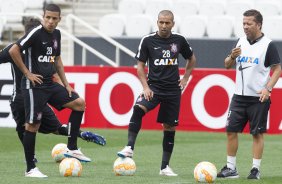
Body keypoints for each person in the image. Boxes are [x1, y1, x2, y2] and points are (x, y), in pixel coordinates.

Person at [8, 4, 91, 178]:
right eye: (48, 17)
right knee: (32, 125)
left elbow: (57, 60)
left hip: (49, 84)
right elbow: (14, 49)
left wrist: (66, 84)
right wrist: (27, 73)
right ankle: (31, 169)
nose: (51, 21)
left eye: (54, 18)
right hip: (34, 86)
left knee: (79, 103)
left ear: (59, 19)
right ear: (43, 16)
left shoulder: (57, 34)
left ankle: (72, 148)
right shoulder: (36, 32)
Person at [2, 18, 106, 152]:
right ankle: (80, 134)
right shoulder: (43, 48)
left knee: (24, 128)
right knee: (57, 128)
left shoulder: (13, 48)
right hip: (39, 96)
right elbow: (54, 75)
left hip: (20, 99)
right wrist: (65, 87)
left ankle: (31, 160)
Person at [117, 10, 196, 176]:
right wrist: (146, 87)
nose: (164, 26)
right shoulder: (148, 40)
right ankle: (129, 147)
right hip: (153, 88)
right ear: (157, 22)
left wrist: (185, 78)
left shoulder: (179, 40)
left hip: (173, 90)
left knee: (169, 126)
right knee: (138, 108)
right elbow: (140, 66)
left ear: (173, 24)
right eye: (161, 22)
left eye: (167, 23)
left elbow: (192, 58)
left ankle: (164, 167)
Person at [217, 9, 281, 180]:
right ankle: (231, 168)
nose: (245, 26)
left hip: (257, 98)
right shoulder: (240, 42)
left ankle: (255, 169)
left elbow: (277, 69)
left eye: (249, 23)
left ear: (258, 24)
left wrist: (268, 88)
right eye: (243, 23)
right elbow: (227, 65)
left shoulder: (268, 45)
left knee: (257, 133)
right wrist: (231, 56)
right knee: (231, 130)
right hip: (239, 96)